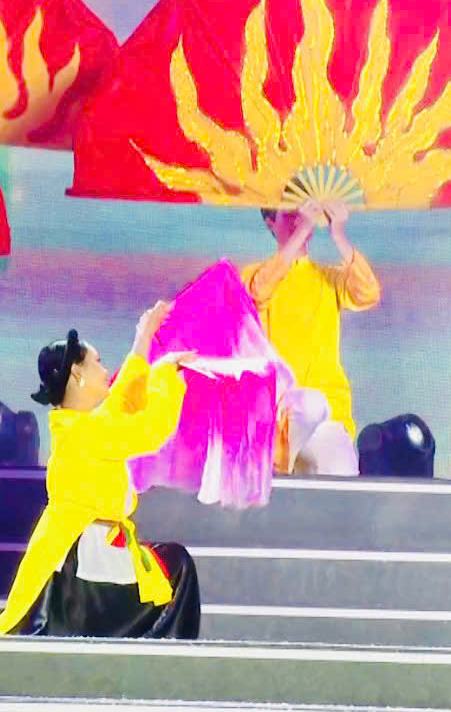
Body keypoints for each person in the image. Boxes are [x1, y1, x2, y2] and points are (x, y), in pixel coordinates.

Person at [1, 302, 201, 637]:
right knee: (176, 567)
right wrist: (165, 376)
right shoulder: (83, 433)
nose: (106, 370)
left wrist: (144, 338)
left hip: (87, 553)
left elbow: (121, 404)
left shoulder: (78, 427)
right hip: (82, 564)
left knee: (170, 565)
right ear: (77, 374)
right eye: (97, 362)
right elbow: (150, 429)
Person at [242, 198, 378, 476]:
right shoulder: (253, 274)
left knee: (343, 478)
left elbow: (368, 293)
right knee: (309, 405)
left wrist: (338, 234)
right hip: (276, 412)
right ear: (270, 223)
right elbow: (258, 292)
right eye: (289, 214)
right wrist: (301, 233)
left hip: (328, 412)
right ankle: (276, 461)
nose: (298, 219)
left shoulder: (329, 278)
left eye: (304, 212)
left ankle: (283, 463)